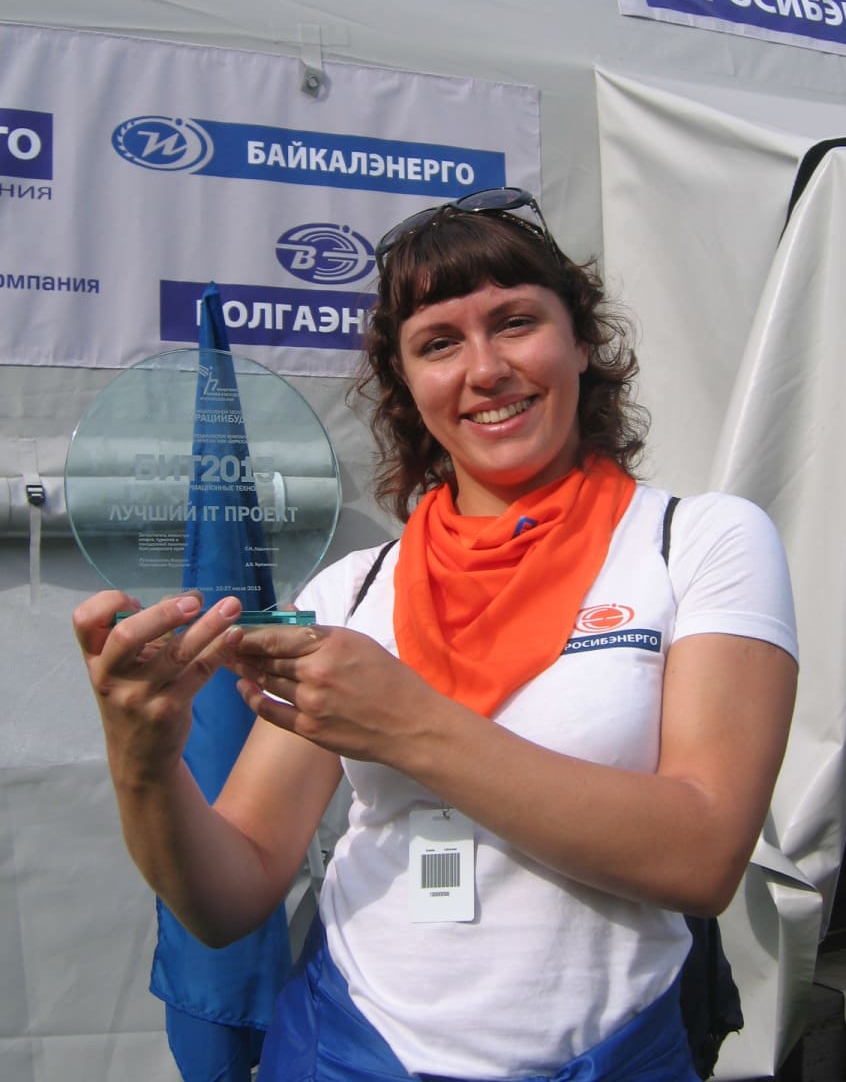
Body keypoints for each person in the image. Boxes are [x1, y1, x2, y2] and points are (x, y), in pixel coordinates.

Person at [74, 187, 798, 1082]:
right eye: (439, 343)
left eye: (516, 322)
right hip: (345, 1052)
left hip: (612, 1058)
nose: (485, 369)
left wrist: (407, 723)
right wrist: (142, 759)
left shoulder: (698, 541)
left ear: (580, 342)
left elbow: (704, 856)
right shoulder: (352, 590)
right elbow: (232, 896)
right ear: (408, 386)